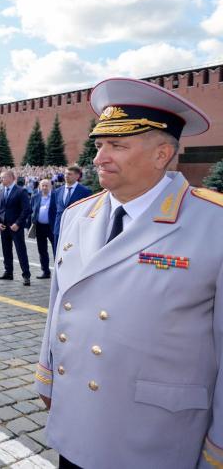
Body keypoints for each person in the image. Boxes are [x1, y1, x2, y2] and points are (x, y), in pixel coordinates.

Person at [35, 77, 223, 468]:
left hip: (155, 436)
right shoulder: (77, 216)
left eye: (117, 146)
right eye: (100, 144)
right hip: (77, 423)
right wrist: (47, 374)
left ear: (162, 154)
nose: (99, 157)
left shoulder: (212, 223)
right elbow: (60, 302)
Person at [0, 170, 31, 285]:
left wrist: (18, 223)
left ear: (11, 178)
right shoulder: (0, 192)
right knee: (6, 250)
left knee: (21, 251)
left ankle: (26, 275)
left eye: (3, 177)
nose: (1, 179)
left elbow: (26, 209)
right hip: (3, 227)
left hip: (16, 227)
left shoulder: (21, 191)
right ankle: (8, 272)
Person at [49, 164, 91, 253]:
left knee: (71, 255)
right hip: (58, 229)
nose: (66, 176)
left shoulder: (85, 191)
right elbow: (53, 210)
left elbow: (88, 211)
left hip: (75, 229)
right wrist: (53, 227)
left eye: (69, 174)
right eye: (66, 174)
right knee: (57, 254)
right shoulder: (57, 191)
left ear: (77, 176)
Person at [29, 179, 54, 279]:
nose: (44, 187)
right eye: (42, 185)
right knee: (42, 250)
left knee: (56, 249)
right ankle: (45, 271)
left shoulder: (55, 197)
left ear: (50, 186)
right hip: (39, 227)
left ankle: (60, 272)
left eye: (46, 185)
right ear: (39, 186)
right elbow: (31, 211)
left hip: (52, 227)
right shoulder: (35, 197)